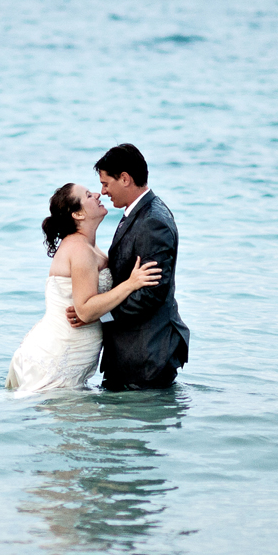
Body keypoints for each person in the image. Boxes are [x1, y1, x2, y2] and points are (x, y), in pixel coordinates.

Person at [6, 183, 161, 393]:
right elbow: (85, 310)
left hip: (71, 351)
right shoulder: (79, 249)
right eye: (88, 195)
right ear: (78, 214)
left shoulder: (88, 246)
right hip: (61, 353)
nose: (97, 194)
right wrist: (131, 284)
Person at [66, 144, 190, 390]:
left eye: (106, 184)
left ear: (125, 179)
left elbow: (151, 293)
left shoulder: (153, 222)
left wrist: (95, 314)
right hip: (134, 352)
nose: (103, 191)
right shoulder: (140, 213)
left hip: (147, 353)